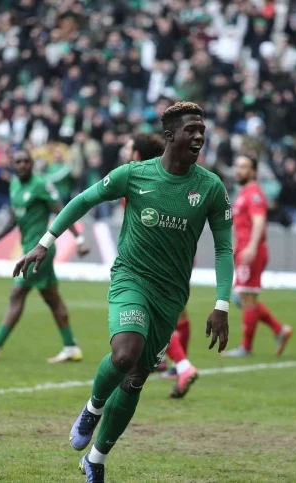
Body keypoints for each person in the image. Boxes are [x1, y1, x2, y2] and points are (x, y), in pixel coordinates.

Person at [14, 102, 234, 482]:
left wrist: (221, 304)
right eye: (191, 129)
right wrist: (45, 243)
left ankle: (95, 459)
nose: (199, 136)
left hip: (171, 295)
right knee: (125, 354)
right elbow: (84, 200)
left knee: (135, 380)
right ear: (170, 136)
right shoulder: (134, 174)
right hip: (131, 278)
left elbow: (224, 248)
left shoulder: (211, 187)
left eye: (202, 129)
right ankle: (93, 408)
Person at [0, 149, 90, 362]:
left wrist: (79, 240)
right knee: (53, 299)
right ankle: (70, 346)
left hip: (40, 251)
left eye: (26, 161)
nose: (22, 165)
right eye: (18, 162)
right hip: (29, 249)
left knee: (18, 293)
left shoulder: (41, 184)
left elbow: (62, 212)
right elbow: (14, 217)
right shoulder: (14, 185)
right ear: (12, 166)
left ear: (32, 164)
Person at [121, 133, 198, 398]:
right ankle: (169, 362)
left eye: (128, 148)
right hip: (178, 256)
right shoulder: (172, 176)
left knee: (152, 318)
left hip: (151, 260)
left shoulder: (137, 180)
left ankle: (183, 366)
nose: (125, 151)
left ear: (136, 155)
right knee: (178, 314)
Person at [223, 156, 293, 358]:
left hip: (250, 250)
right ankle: (279, 330)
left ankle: (246, 347)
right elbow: (241, 225)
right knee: (243, 298)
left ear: (253, 171)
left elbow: (259, 221)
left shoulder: (254, 194)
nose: (238, 170)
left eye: (243, 167)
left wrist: (252, 247)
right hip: (243, 249)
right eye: (237, 166)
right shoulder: (243, 193)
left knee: (246, 297)